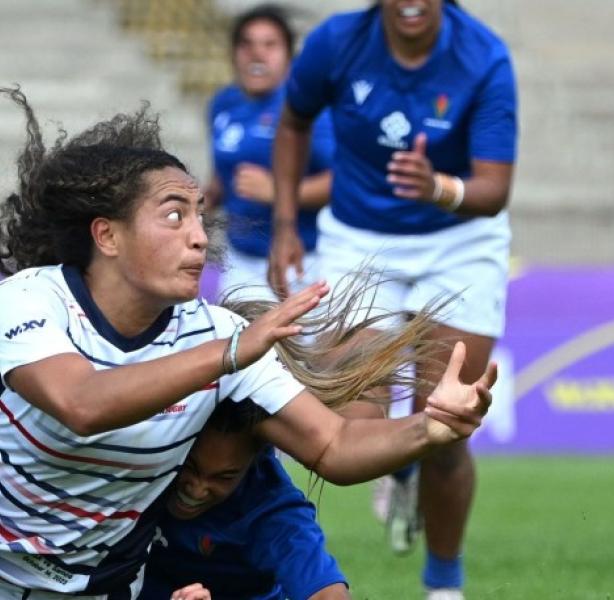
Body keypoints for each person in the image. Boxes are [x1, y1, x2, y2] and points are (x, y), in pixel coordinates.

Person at [0, 86, 495, 598]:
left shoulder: (218, 335)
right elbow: (80, 403)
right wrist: (229, 356)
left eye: (198, 214)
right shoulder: (31, 300)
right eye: (174, 215)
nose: (198, 235)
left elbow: (334, 444)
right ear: (107, 236)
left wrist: (429, 429)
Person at [267, 1, 517, 598]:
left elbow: (494, 188)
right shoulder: (335, 42)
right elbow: (293, 123)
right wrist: (283, 225)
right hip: (361, 238)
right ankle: (400, 462)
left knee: (448, 422)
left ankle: (443, 583)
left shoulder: (484, 57)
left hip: (459, 240)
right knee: (354, 422)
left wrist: (439, 187)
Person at [142, 399, 349, 600]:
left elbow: (326, 591)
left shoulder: (269, 507)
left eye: (224, 477)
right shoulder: (134, 471)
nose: (197, 490)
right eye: (189, 466)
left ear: (254, 460)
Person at [207, 4, 334, 301]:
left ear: (289, 56)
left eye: (269, 44)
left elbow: (342, 181)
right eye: (246, 43)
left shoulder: (305, 110)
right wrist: (201, 202)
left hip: (304, 258)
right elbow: (223, 176)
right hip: (238, 257)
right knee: (242, 345)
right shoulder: (222, 104)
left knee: (302, 347)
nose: (256, 54)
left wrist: (278, 191)